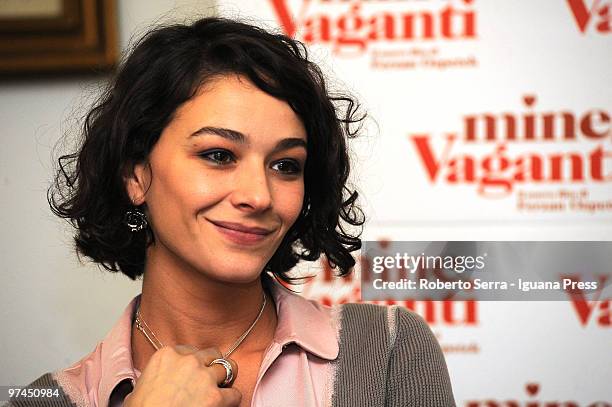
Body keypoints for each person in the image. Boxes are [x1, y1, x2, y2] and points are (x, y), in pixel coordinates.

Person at [5, 17, 455, 407]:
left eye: (285, 165)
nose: (259, 196)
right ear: (136, 176)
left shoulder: (389, 348)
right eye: (219, 155)